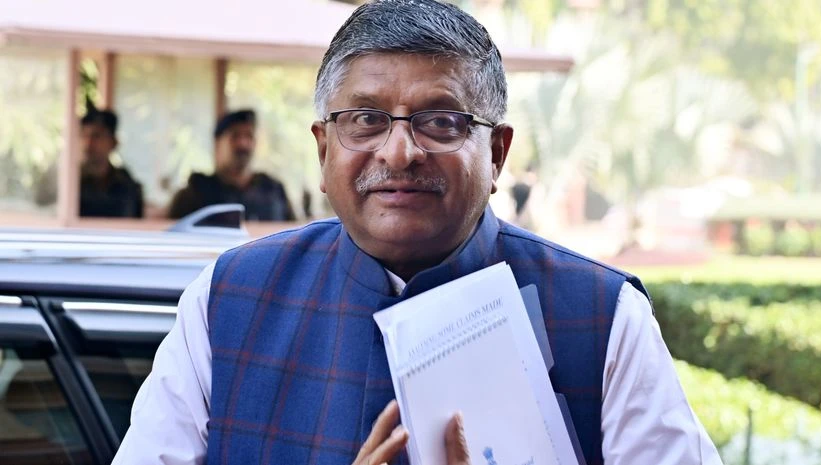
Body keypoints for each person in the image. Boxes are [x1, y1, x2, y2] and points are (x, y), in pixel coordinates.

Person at [114, 1, 722, 464]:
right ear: (324, 148)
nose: (400, 152)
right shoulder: (228, 301)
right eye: (366, 120)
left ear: (498, 153)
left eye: (440, 121)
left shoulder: (604, 316)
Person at [167, 109, 297, 221]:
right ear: (217, 144)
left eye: (249, 136)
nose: (243, 144)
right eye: (235, 136)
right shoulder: (194, 193)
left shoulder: (274, 191)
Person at [35, 109, 144, 218]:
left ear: (113, 142)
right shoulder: (65, 180)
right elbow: (41, 213)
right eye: (83, 135)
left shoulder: (126, 185)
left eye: (96, 136)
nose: (88, 143)